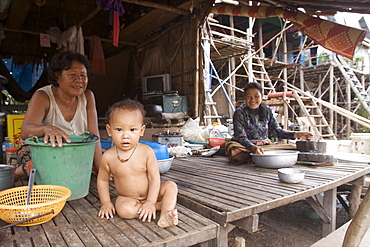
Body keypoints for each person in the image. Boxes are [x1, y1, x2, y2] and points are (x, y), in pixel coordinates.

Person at [15, 50, 102, 178]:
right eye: (72, 74)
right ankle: (16, 173)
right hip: (44, 149)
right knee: (46, 167)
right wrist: (47, 129)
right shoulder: (43, 96)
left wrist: (101, 172)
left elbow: (94, 136)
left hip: (74, 150)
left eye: (83, 75)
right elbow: (26, 131)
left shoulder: (88, 96)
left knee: (110, 160)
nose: (79, 80)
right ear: (57, 76)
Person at [97, 99, 178, 228]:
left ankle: (165, 213)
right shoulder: (108, 157)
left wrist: (150, 201)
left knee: (171, 186)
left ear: (141, 130)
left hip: (153, 192)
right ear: (109, 130)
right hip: (128, 197)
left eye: (132, 130)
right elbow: (102, 180)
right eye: (119, 129)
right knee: (124, 210)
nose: (125, 135)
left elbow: (154, 179)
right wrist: (106, 202)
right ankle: (160, 206)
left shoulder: (147, 152)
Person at [226, 82, 313, 164]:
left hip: (264, 145)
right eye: (249, 96)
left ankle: (257, 156)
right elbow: (241, 137)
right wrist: (253, 148)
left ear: (262, 96)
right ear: (245, 97)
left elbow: (277, 131)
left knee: (293, 148)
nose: (253, 100)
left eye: (256, 96)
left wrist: (297, 134)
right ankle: (261, 155)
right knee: (235, 151)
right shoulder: (239, 112)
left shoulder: (267, 110)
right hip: (244, 146)